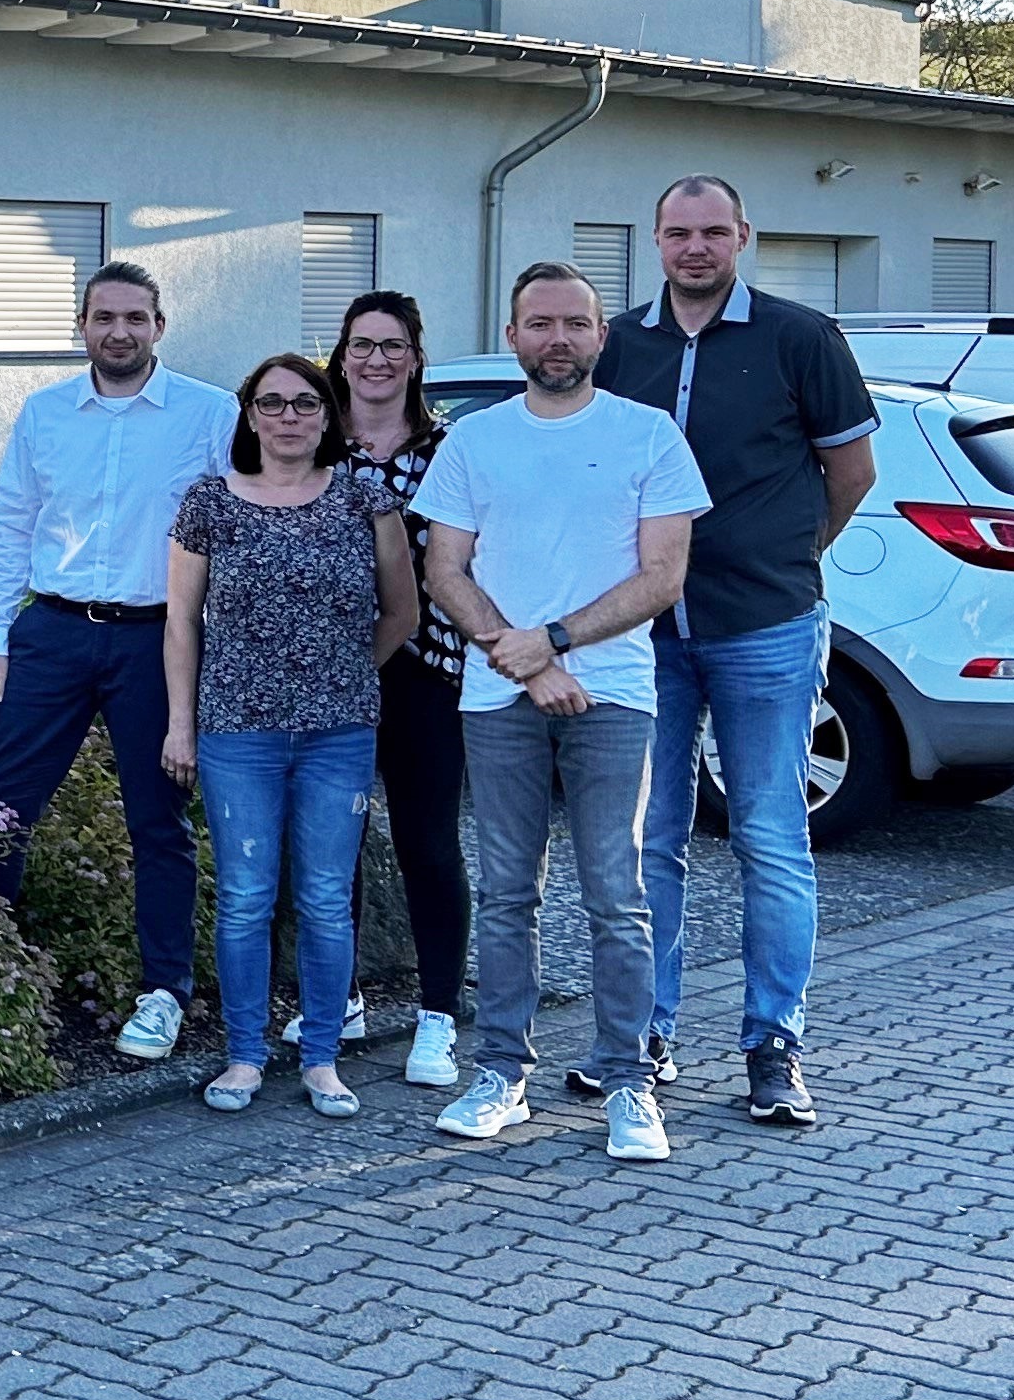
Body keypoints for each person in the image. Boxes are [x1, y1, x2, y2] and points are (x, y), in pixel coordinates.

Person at [592, 175, 880, 1131]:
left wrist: (787, 555)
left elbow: (851, 473)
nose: (696, 248)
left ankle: (774, 1046)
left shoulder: (802, 338)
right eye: (679, 232)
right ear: (656, 239)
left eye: (713, 232)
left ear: (743, 236)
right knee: (648, 840)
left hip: (765, 625)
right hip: (646, 634)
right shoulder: (618, 345)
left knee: (769, 836)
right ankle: (647, 1035)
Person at [417, 262, 710, 1163]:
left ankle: (628, 1081)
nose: (558, 339)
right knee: (508, 892)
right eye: (540, 324)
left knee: (617, 895)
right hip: (498, 697)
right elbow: (443, 570)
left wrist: (549, 642)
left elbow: (663, 577)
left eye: (575, 323)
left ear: (600, 336)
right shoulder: (475, 440)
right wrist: (523, 658)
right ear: (513, 337)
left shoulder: (648, 435)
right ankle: (500, 1074)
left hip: (613, 696)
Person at [0, 258, 230, 1059]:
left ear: (160, 326)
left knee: (159, 819)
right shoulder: (44, 413)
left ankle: (164, 993)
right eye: (104, 317)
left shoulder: (210, 414)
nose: (119, 332)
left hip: (158, 639)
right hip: (52, 634)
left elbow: (239, 528)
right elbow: (11, 525)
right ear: (81, 326)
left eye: (134, 318)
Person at [161, 353, 416, 1116]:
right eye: (271, 403)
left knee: (326, 899)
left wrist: (345, 673)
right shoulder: (208, 503)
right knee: (245, 897)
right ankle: (244, 1057)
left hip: (339, 734)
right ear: (249, 415)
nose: (288, 417)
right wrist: (181, 725)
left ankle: (322, 1061)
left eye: (305, 403)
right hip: (237, 733)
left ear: (328, 414)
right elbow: (181, 624)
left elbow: (401, 611)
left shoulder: (365, 499)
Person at [329, 288, 474, 1090]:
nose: (376, 359)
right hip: (326, 676)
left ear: (416, 359)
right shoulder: (311, 444)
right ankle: (339, 997)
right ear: (342, 355)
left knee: (427, 843)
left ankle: (438, 1017)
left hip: (427, 671)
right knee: (332, 841)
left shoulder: (450, 451)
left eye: (392, 346)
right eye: (362, 344)